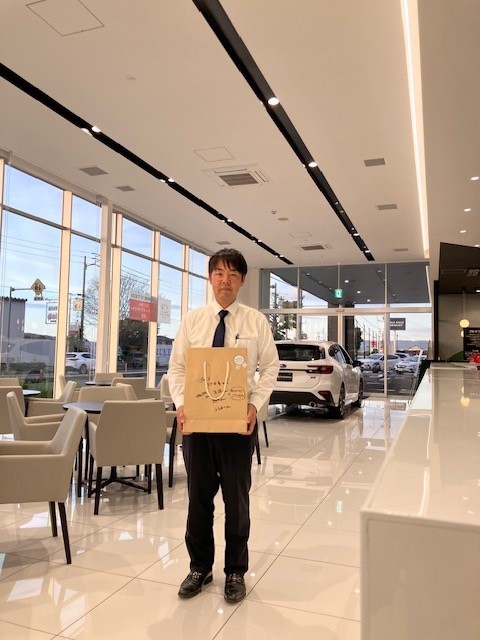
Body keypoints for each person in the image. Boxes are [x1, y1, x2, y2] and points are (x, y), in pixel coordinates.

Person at [167, 248, 279, 603]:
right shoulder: (193, 321)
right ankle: (199, 567)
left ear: (242, 280)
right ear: (210, 277)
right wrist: (182, 405)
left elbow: (270, 368)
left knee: (237, 501)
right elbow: (177, 369)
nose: (225, 281)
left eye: (232, 275)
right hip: (198, 426)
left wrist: (254, 405)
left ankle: (235, 571)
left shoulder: (255, 322)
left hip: (236, 427)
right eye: (219, 273)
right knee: (198, 500)